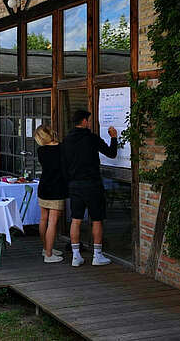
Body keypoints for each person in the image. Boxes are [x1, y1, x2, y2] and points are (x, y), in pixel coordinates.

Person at [60, 109, 118, 267]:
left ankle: (76, 256)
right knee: (97, 219)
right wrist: (114, 137)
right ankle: (97, 255)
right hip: (92, 184)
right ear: (84, 121)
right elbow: (111, 153)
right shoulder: (91, 138)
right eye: (89, 120)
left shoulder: (66, 140)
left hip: (74, 185)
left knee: (76, 220)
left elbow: (63, 165)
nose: (90, 123)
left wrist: (69, 183)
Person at [34, 125, 67, 263]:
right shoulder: (62, 148)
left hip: (44, 186)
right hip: (57, 187)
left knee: (43, 219)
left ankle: (46, 248)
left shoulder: (41, 150)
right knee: (52, 222)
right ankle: (48, 254)